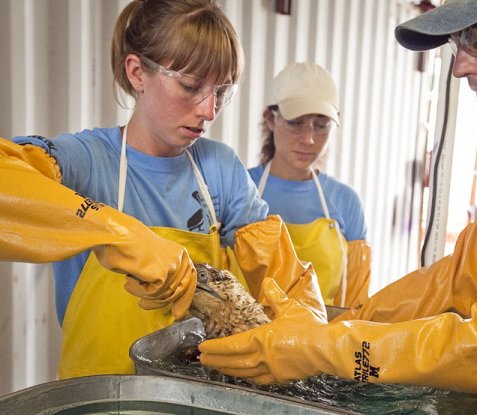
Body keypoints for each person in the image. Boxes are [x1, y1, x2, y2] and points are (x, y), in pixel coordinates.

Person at [199, 0, 477, 413]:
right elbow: (455, 281)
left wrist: (326, 347)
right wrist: (336, 325)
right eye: (456, 44)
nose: (460, 67)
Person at [0, 0, 324, 379]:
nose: (209, 110)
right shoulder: (86, 162)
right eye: (190, 86)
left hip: (196, 400)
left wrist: (311, 337)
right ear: (137, 73)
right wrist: (123, 237)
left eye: (221, 92)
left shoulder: (219, 171)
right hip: (97, 400)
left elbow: (285, 279)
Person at [248, 62, 371, 308]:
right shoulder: (240, 190)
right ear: (270, 119)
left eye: (321, 124)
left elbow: (356, 307)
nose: (309, 138)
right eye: (295, 122)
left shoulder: (346, 202)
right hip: (249, 343)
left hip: (322, 343)